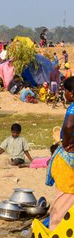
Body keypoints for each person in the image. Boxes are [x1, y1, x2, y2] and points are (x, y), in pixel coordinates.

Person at [47, 76, 74, 230]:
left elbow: (69, 125)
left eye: (65, 91)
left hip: (68, 161)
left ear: (71, 93)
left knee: (63, 204)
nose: (64, 94)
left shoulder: (72, 108)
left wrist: (68, 142)